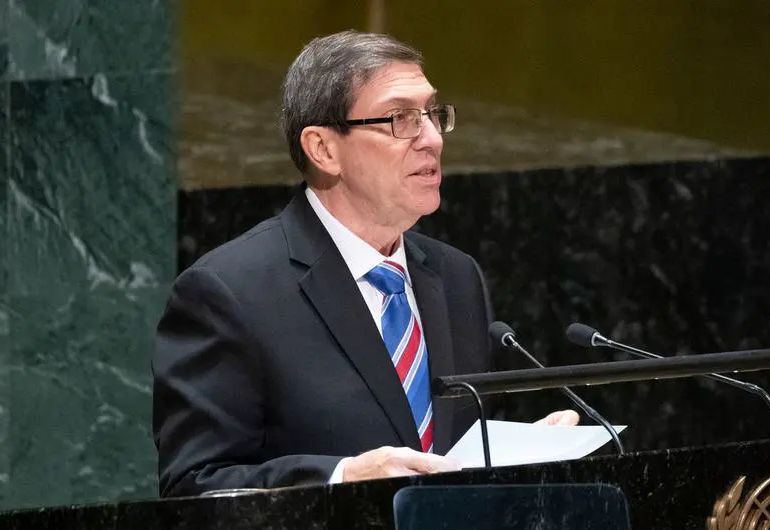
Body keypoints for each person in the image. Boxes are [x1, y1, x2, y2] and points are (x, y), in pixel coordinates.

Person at [151, 30, 578, 498]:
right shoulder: (228, 292)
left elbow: (453, 451)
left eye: (433, 115)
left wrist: (521, 455)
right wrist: (343, 479)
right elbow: (194, 487)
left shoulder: (456, 276)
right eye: (401, 119)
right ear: (324, 149)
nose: (432, 139)